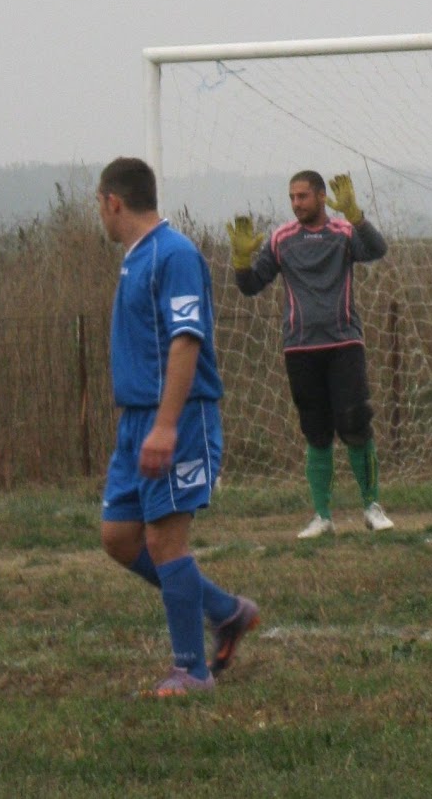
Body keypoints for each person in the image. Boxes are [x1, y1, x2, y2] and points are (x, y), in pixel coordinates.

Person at [95, 157, 259, 697]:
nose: (100, 215)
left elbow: (186, 340)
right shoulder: (136, 258)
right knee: (120, 537)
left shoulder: (175, 254)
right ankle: (225, 611)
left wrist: (165, 426)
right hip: (137, 420)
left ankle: (191, 672)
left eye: (99, 205)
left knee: (166, 540)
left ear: (113, 202)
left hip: (178, 417)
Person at [226, 170, 393, 538]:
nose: (296, 203)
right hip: (300, 348)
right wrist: (240, 262)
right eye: (292, 197)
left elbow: (377, 250)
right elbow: (252, 286)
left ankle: (372, 507)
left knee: (355, 424)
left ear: (321, 197)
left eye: (302, 196)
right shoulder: (281, 239)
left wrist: (357, 217)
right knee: (316, 432)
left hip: (344, 344)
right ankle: (322, 516)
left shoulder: (343, 233)